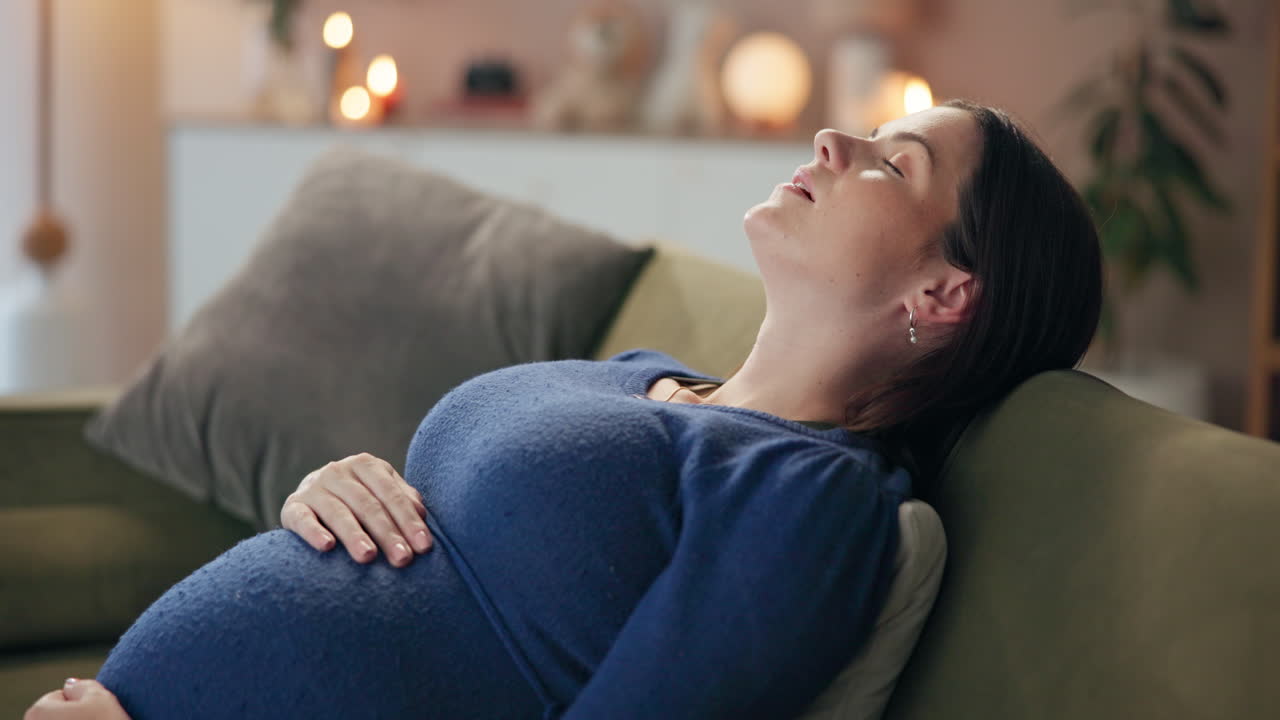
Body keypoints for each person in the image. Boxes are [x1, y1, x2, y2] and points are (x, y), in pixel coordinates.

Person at [25, 99, 1101, 720]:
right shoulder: (647, 375)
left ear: (940, 295)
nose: (831, 143)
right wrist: (328, 483)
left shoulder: (815, 498)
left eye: (889, 164)